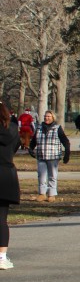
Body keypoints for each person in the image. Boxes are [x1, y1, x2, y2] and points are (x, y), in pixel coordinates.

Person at [29, 110, 71, 202]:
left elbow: (65, 141)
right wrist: (30, 148)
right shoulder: (39, 128)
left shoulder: (57, 128)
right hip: (41, 156)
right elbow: (34, 141)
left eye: (48, 116)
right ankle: (42, 193)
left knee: (52, 176)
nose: (46, 118)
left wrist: (67, 153)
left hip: (53, 156)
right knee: (41, 175)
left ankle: (51, 194)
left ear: (53, 118)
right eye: (45, 116)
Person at [0, 102, 21, 269]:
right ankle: (2, 256)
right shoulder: (13, 129)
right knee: (2, 219)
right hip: (6, 173)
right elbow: (15, 147)